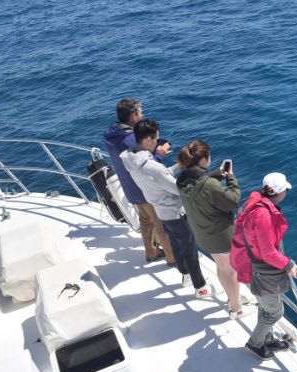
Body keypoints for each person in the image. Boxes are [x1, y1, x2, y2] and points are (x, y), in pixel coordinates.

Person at [120, 119, 212, 297]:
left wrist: (178, 166)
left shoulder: (130, 159)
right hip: (176, 213)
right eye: (156, 140)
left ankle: (185, 275)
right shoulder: (153, 167)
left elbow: (159, 175)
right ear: (147, 140)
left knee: (177, 245)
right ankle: (200, 287)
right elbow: (178, 189)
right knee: (189, 248)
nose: (158, 143)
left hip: (161, 211)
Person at [234, 172, 297, 361]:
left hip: (252, 266)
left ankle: (267, 338)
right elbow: (267, 252)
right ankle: (255, 343)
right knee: (275, 312)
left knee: (265, 308)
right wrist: (288, 264)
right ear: (279, 193)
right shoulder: (264, 215)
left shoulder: (255, 202)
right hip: (262, 271)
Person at [176, 139, 244, 318]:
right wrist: (230, 177)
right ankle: (235, 308)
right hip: (221, 235)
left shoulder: (182, 180)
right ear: (204, 160)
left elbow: (200, 184)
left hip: (202, 233)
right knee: (231, 270)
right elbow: (232, 200)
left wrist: (217, 174)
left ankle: (232, 298)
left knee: (222, 268)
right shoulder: (209, 185)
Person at [103, 98, 176, 266]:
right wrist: (160, 154)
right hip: (143, 188)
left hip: (130, 188)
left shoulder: (112, 134)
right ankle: (173, 259)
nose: (142, 114)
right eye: (141, 112)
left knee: (145, 220)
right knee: (160, 224)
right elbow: (146, 166)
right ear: (134, 116)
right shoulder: (130, 140)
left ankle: (151, 252)